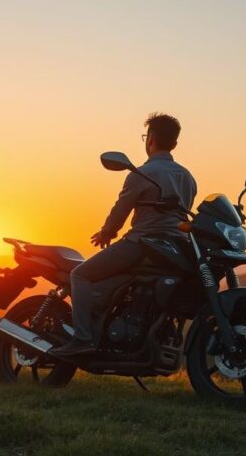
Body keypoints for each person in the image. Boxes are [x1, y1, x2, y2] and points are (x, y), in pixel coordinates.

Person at [52, 112, 197, 356]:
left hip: (140, 244)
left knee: (79, 275)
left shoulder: (143, 173)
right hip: (174, 249)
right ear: (174, 143)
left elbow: (121, 210)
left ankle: (82, 339)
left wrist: (107, 233)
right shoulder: (188, 177)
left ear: (150, 139)